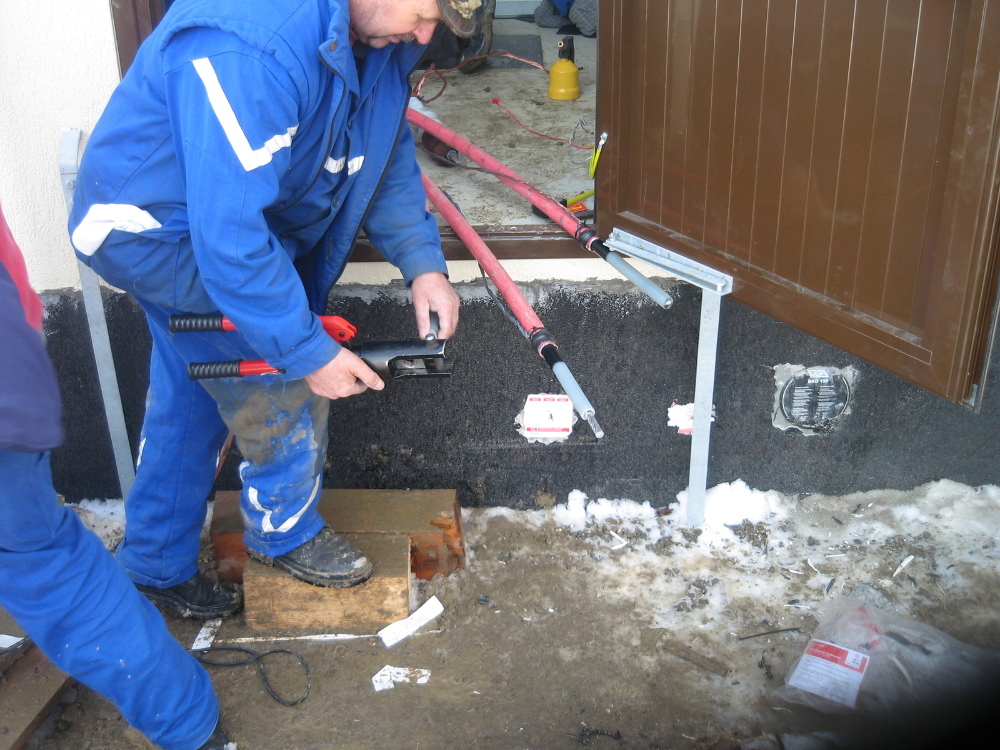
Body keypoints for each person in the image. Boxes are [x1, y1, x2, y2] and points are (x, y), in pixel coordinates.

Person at [68, 0, 467, 620]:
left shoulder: (377, 42)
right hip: (153, 231)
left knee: (198, 384)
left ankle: (154, 563)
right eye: (422, 15)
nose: (424, 34)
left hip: (223, 226)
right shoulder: (253, 47)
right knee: (275, 373)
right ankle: (284, 533)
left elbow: (380, 155)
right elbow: (230, 243)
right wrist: (306, 351)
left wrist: (423, 265)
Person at [0, 205, 230, 750]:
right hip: (13, 366)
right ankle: (189, 722)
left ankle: (188, 723)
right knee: (47, 565)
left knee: (43, 565)